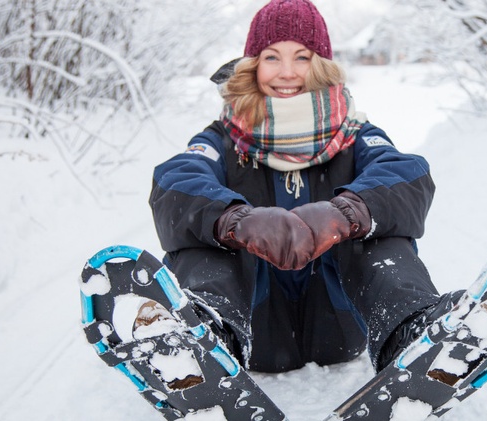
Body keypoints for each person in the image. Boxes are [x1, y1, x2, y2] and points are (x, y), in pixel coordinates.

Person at [147, 0, 460, 375]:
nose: (287, 73)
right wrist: (234, 221)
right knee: (205, 232)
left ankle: (415, 339)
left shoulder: (354, 132)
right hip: (248, 327)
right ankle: (199, 348)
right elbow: (177, 179)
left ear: (320, 64)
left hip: (339, 321)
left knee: (378, 227)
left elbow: (405, 174)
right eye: (272, 57)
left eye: (302, 57)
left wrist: (347, 213)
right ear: (253, 64)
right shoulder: (222, 137)